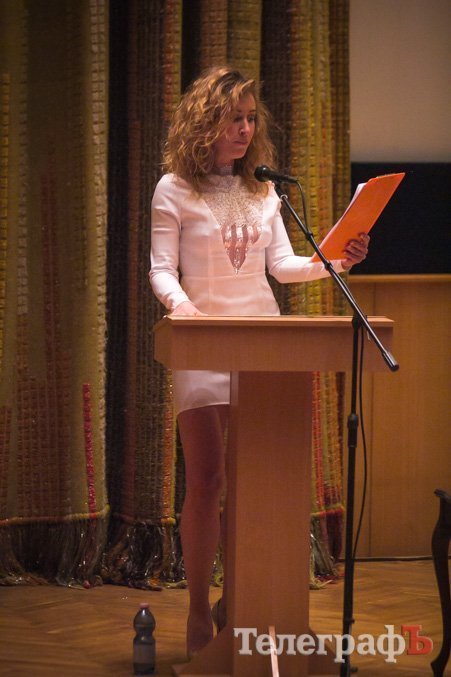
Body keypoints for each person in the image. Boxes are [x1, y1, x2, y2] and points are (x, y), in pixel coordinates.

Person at [149, 65, 369, 658]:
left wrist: (336, 260)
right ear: (204, 122)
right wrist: (184, 309)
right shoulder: (174, 187)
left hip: (264, 347)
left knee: (258, 483)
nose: (245, 130)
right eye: (233, 119)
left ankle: (244, 601)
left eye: (250, 119)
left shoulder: (265, 189)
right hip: (202, 343)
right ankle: (199, 608)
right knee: (208, 480)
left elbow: (282, 267)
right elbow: (161, 270)